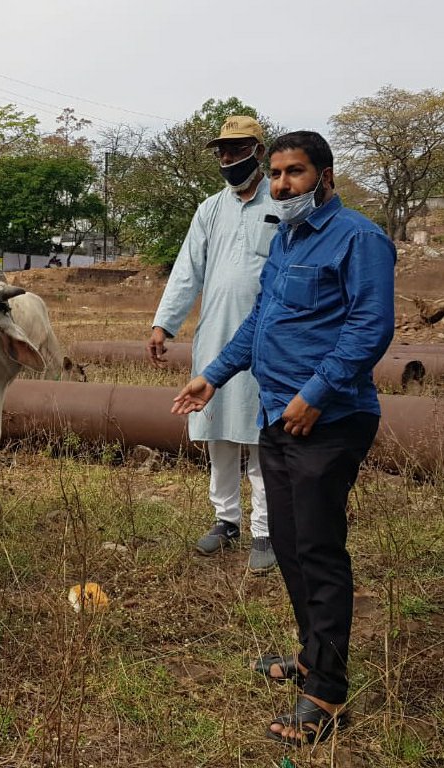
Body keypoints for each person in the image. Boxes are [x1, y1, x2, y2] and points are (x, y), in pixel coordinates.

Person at [172, 131, 396, 744]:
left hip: (329, 419)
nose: (280, 185)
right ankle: (309, 656)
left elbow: (371, 326)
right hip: (277, 413)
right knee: (292, 546)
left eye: (294, 173)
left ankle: (325, 695)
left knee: (319, 550)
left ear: (324, 176)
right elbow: (259, 322)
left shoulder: (360, 238)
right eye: (274, 175)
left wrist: (316, 393)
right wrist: (212, 377)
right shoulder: (286, 237)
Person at [148, 115, 276, 573]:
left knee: (261, 435)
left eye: (237, 149)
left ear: (258, 151)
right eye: (222, 150)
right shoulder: (210, 209)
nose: (227, 158)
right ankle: (226, 520)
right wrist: (165, 323)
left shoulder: (281, 203)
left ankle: (266, 529)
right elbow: (188, 270)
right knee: (218, 429)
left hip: (267, 338)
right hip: (216, 335)